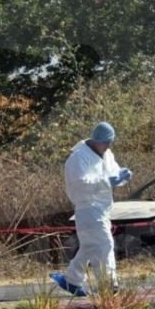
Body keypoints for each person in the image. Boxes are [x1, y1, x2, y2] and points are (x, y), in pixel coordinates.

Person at [50, 122, 132, 296]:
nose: (109, 146)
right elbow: (80, 184)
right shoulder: (78, 158)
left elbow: (114, 173)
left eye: (110, 142)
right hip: (87, 208)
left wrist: (123, 176)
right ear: (96, 140)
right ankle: (109, 285)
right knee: (105, 244)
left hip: (102, 208)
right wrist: (107, 182)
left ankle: (71, 280)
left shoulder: (107, 154)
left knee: (90, 246)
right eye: (106, 142)